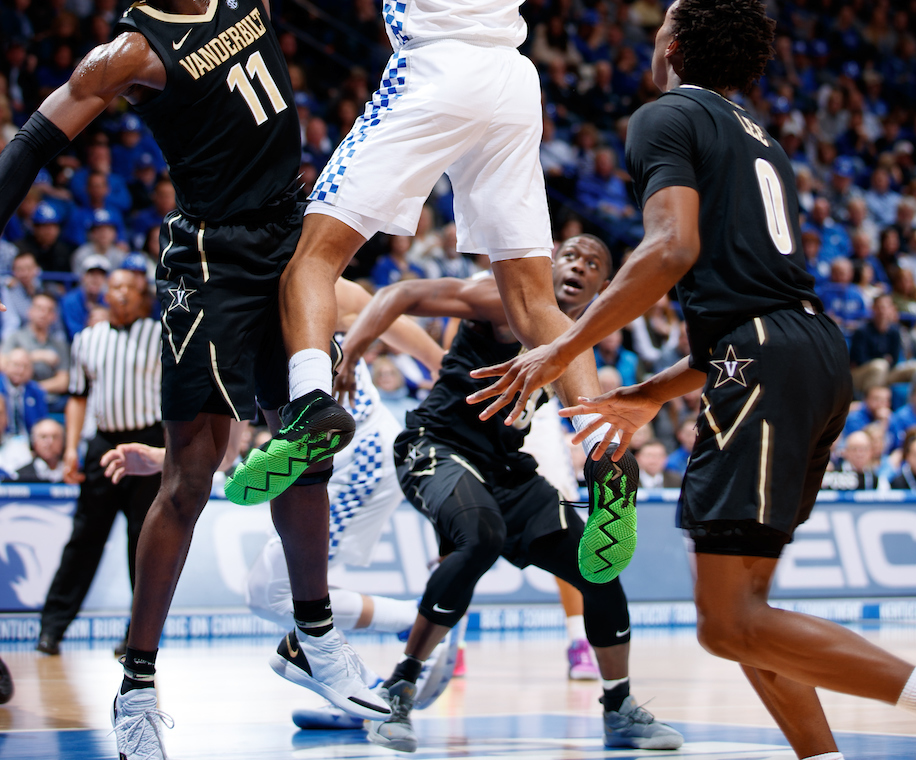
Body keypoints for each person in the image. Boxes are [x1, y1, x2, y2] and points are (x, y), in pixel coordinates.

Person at [0, 0, 436, 755]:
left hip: (289, 236)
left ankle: (317, 633)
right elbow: (43, 135)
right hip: (206, 261)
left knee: (316, 434)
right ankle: (140, 683)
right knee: (190, 471)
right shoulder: (130, 52)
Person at [469, 0, 916, 760]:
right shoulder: (757, 136)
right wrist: (650, 391)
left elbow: (670, 249)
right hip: (807, 352)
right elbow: (751, 292)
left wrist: (562, 346)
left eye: (659, 28)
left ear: (674, 43)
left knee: (727, 624)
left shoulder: (664, 115)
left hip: (761, 357)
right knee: (749, 613)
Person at [234, 0, 637, 592]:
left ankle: (307, 411)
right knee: (536, 306)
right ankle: (607, 453)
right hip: (508, 80)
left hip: (438, 67)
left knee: (311, 258)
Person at [338, 235, 682, 752]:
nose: (578, 266)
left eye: (591, 263)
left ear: (603, 287)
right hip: (438, 444)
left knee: (599, 568)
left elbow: (590, 421)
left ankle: (620, 707)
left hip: (508, 468)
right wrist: (352, 353)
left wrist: (612, 462)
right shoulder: (502, 300)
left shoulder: (573, 343)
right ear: (549, 266)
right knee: (479, 536)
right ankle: (400, 688)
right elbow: (401, 295)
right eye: (570, 256)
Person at [100, 274, 460, 732]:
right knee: (271, 591)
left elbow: (380, 309)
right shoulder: (220, 325)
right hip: (334, 459)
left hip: (360, 450)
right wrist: (163, 458)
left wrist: (441, 364)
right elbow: (226, 453)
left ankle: (420, 625)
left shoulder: (301, 276)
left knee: (272, 589)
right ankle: (357, 685)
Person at [35, 268, 161, 656]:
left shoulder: (159, 335)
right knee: (84, 539)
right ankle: (51, 629)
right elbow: (77, 396)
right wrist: (72, 448)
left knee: (143, 544)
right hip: (103, 444)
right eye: (114, 287)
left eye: (129, 288)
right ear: (105, 294)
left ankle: (136, 637)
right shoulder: (87, 339)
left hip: (149, 443)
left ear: (143, 298)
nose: (120, 293)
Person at [8, 416, 65, 482]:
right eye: (43, 437)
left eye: (55, 437)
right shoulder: (20, 475)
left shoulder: (75, 473)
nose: (50, 442)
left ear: (63, 441)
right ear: (33, 442)